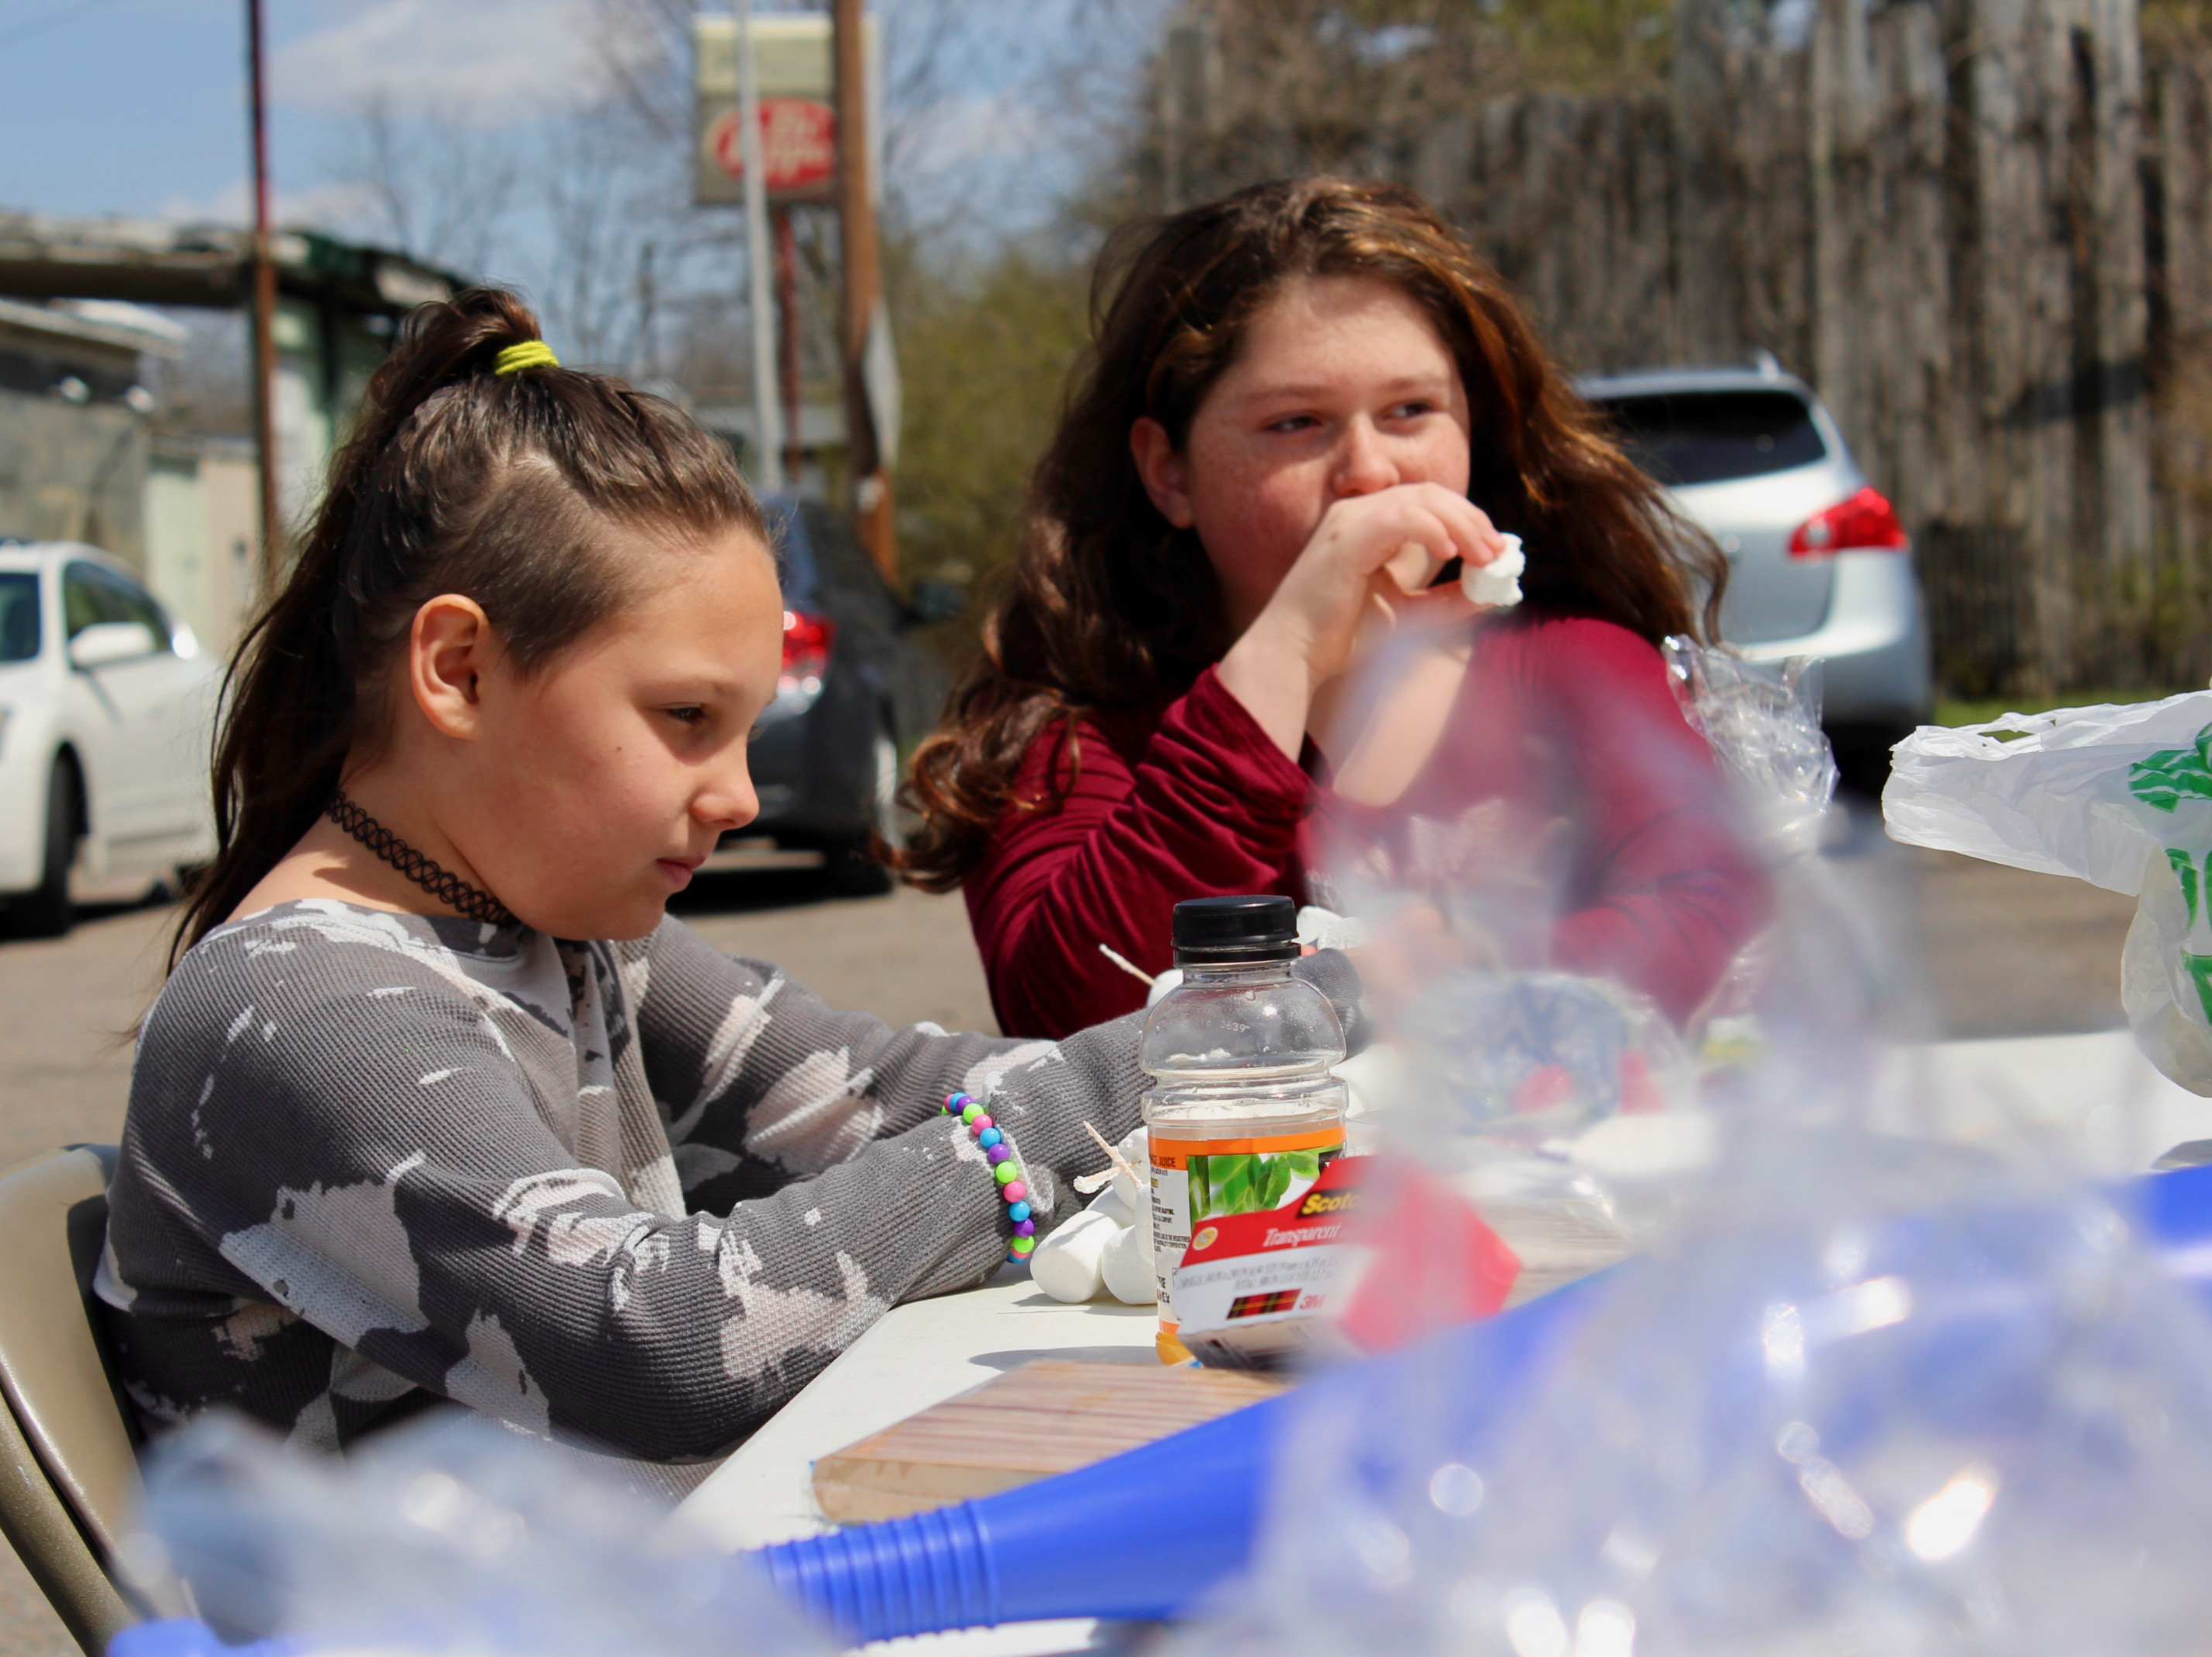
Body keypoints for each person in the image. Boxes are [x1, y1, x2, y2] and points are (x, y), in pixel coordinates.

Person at [96, 290, 1315, 1463]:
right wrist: (1076, 1112)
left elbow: (874, 1095)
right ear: (460, 669)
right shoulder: (299, 1011)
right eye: (686, 716)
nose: (736, 795)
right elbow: (664, 1340)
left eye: (744, 729)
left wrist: (1274, 1026)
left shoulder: (547, 926)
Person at [897, 177, 1768, 1039]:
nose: (1368, 473)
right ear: (1168, 472)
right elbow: (1073, 1020)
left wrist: (1398, 983)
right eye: (1294, 424)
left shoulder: (1575, 665)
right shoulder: (1072, 736)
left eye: (1410, 411)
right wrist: (1280, 661)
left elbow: (1716, 919)